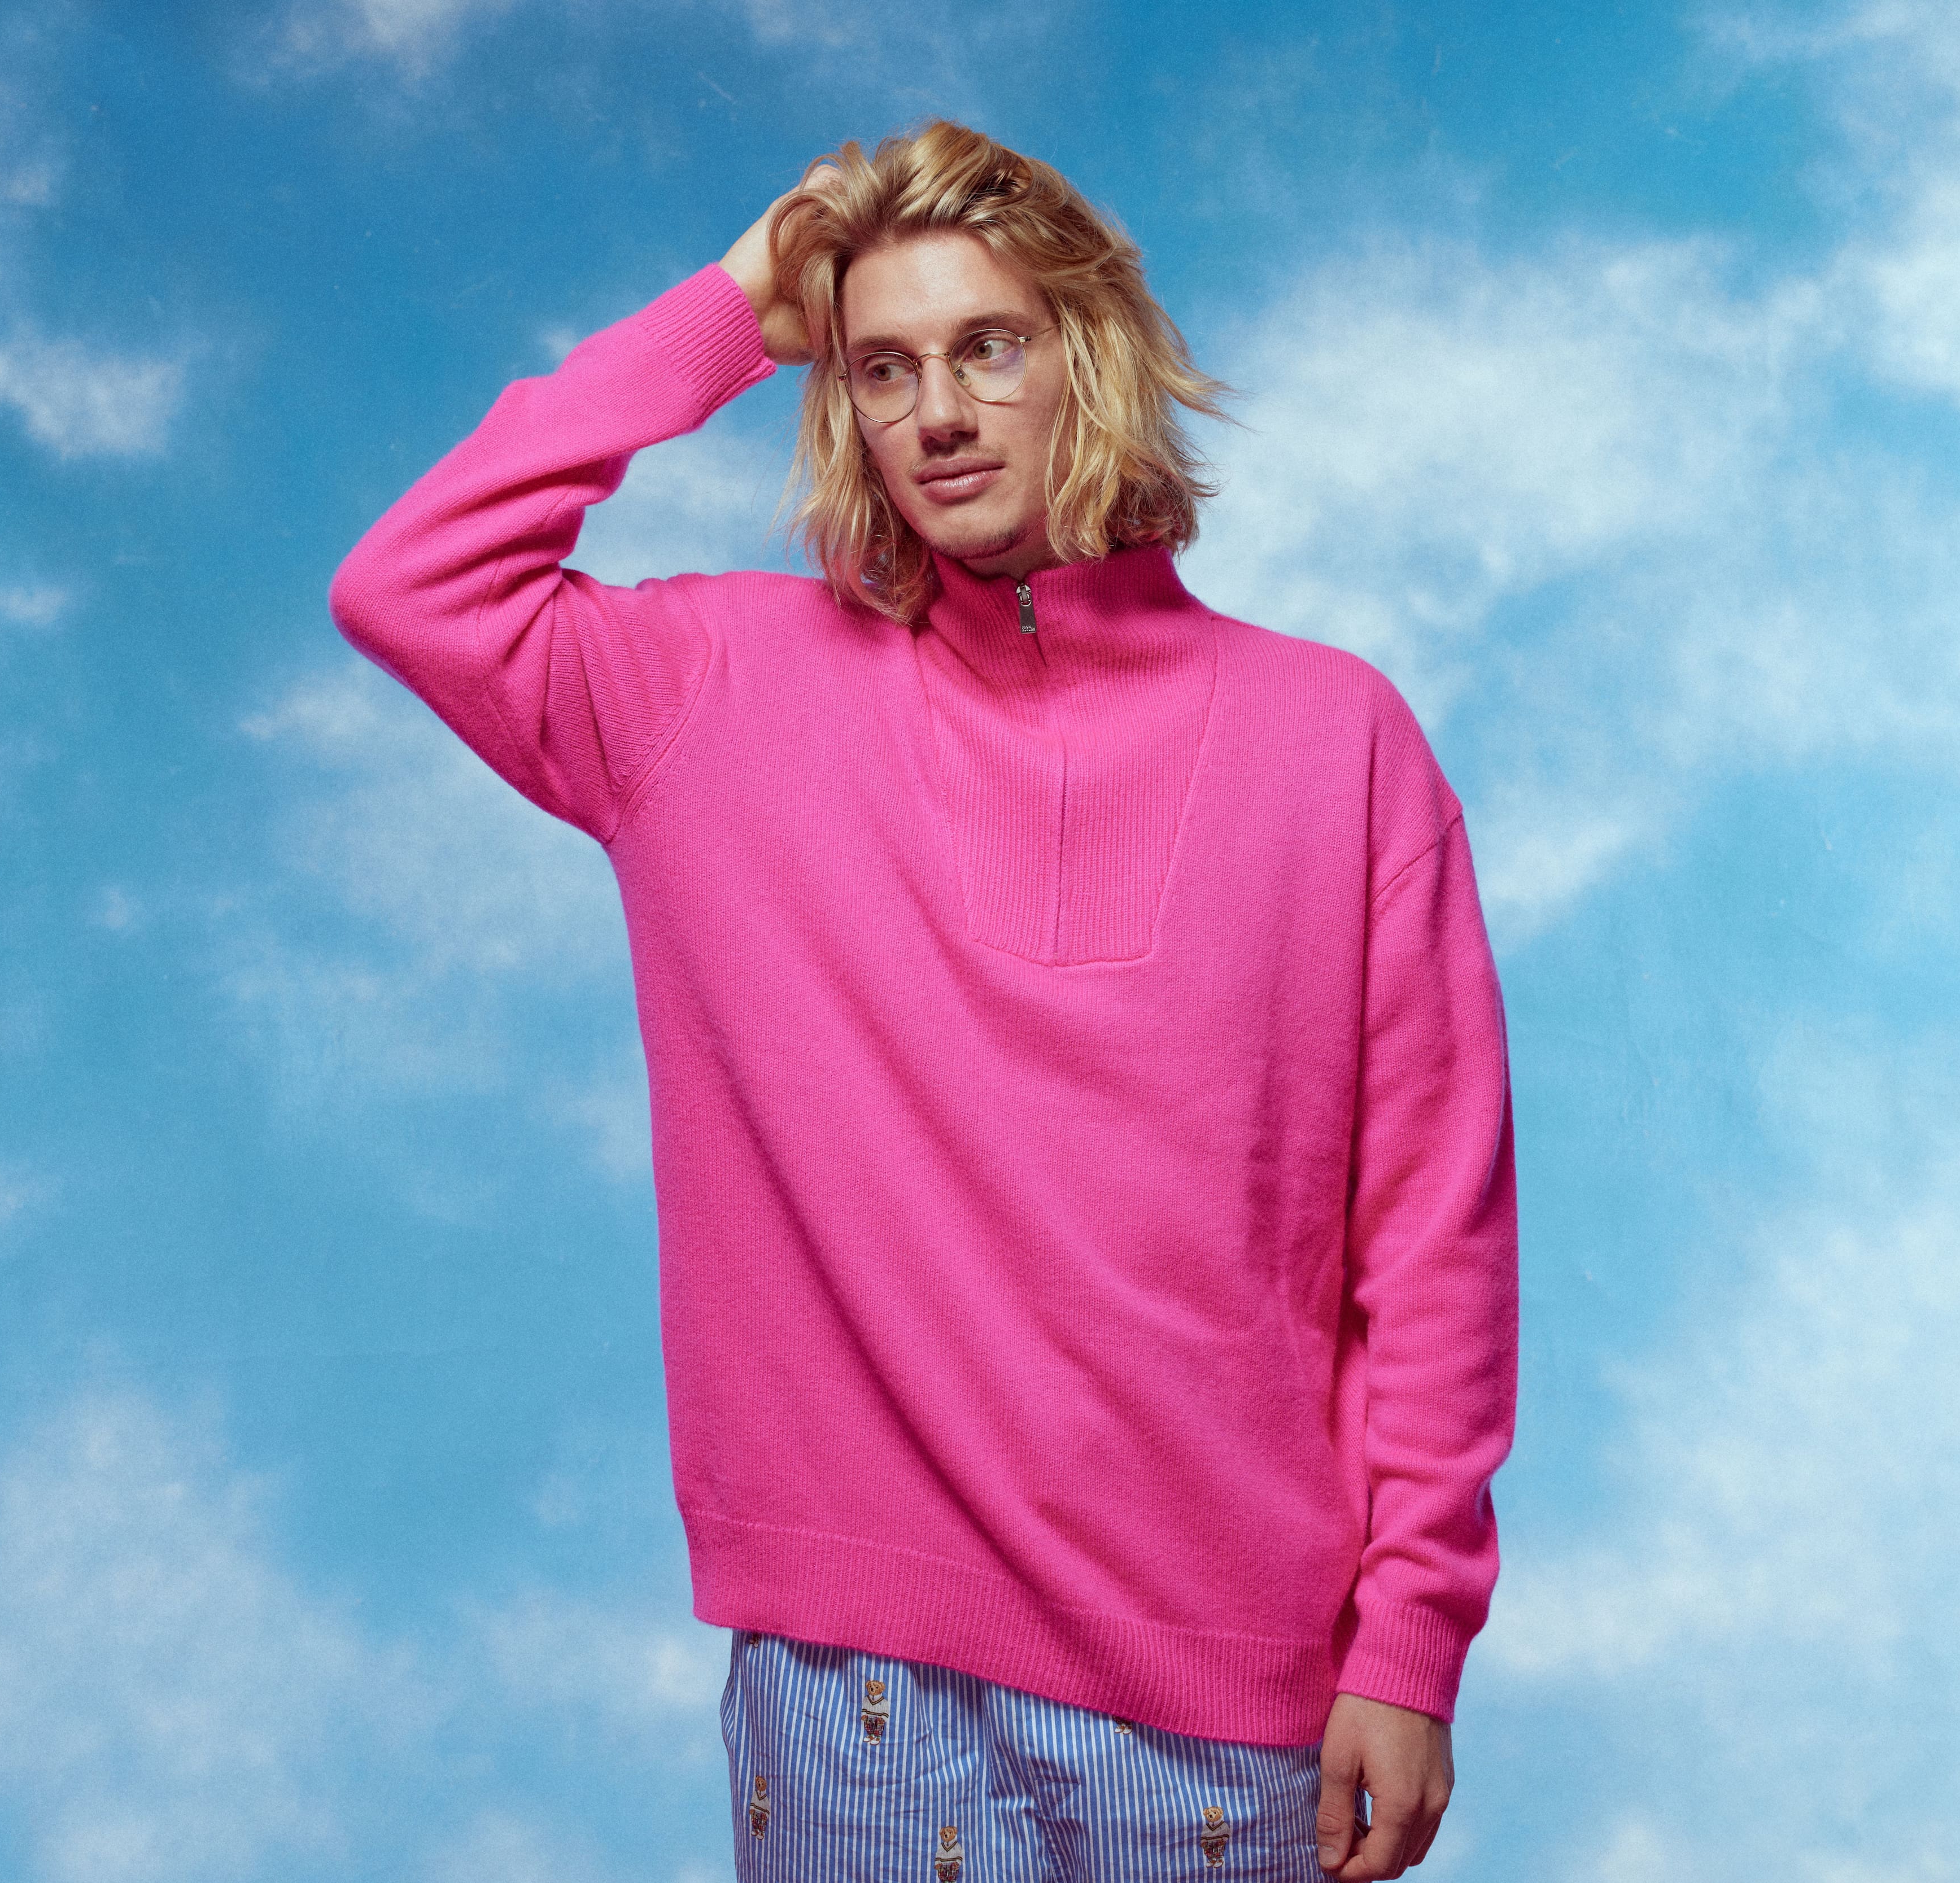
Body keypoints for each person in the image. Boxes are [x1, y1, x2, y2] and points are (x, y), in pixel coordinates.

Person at [330, 120, 1518, 1881]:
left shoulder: (1335, 737)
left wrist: (1411, 1639)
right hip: (856, 1688)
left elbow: (1430, 1236)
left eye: (989, 347)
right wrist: (733, 310)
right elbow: (408, 582)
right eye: (884, 368)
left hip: (1221, 1695)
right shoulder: (706, 692)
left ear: (1088, 354)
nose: (940, 413)